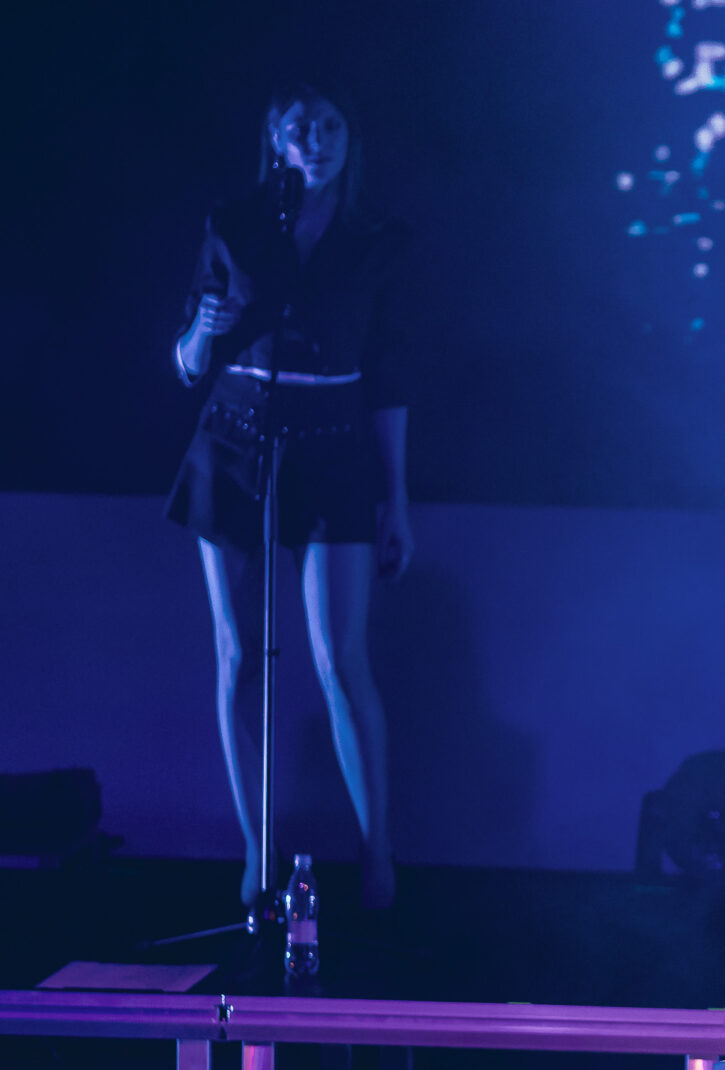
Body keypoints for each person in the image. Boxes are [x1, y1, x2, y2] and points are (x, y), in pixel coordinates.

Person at [167, 82, 411, 911]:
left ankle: (377, 858)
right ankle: (257, 852)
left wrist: (397, 500)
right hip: (235, 439)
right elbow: (187, 362)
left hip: (333, 443)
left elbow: (390, 375)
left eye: (333, 124)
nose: (319, 138)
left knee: (341, 658)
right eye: (302, 125)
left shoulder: (377, 239)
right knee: (236, 652)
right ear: (276, 137)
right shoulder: (236, 223)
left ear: (350, 137)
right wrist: (201, 329)